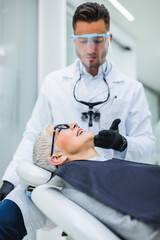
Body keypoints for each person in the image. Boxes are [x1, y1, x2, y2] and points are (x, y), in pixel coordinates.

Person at [0, 1, 155, 238]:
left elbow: (147, 145)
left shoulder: (131, 89)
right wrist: (9, 181)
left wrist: (122, 143)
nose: (90, 47)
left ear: (109, 37)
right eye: (83, 41)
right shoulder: (54, 83)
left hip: (112, 185)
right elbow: (33, 135)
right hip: (67, 180)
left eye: (98, 39)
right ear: (73, 40)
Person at [32, 122, 160, 239]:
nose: (73, 124)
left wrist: (121, 143)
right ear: (58, 157)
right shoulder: (79, 186)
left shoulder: (103, 167)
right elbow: (143, 232)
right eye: (60, 129)